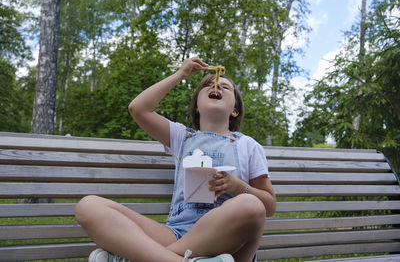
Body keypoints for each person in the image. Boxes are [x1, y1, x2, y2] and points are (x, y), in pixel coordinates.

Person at [74, 57, 276, 262]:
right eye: (207, 85)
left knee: (251, 205)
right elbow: (138, 108)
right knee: (88, 206)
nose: (216, 85)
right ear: (197, 105)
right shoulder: (182, 137)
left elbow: (268, 206)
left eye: (226, 87)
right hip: (176, 234)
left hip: (228, 239)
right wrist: (181, 74)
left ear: (234, 110)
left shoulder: (248, 145)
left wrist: (237, 186)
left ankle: (139, 258)